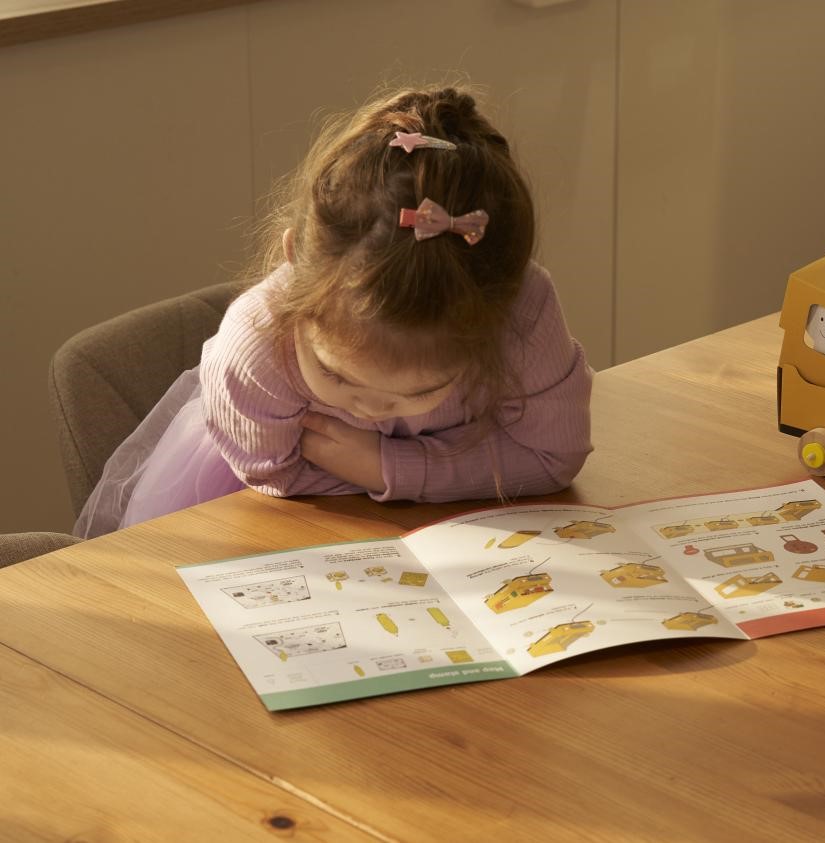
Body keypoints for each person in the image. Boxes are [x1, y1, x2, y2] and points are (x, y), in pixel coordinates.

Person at [75, 86, 594, 538]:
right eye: (335, 374)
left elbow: (554, 458)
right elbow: (274, 476)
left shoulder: (523, 308)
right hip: (273, 523)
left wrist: (387, 467)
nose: (368, 412)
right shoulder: (255, 343)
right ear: (293, 258)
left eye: (419, 393)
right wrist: (442, 469)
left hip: (462, 528)